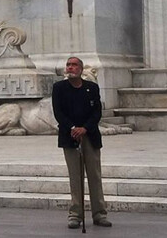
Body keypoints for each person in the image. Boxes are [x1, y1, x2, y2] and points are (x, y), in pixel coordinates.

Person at [52, 56, 111, 228]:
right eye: (68, 65)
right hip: (70, 137)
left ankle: (99, 214)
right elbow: (58, 112)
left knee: (95, 176)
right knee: (75, 177)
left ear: (81, 69)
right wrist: (72, 128)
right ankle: (75, 215)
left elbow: (97, 112)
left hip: (90, 136)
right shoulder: (59, 88)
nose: (70, 67)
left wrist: (85, 128)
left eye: (74, 65)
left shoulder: (91, 88)